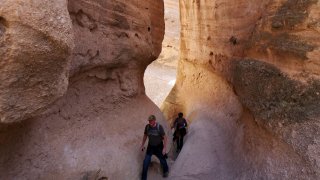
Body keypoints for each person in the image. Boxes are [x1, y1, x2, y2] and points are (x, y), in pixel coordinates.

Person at [140, 115, 169, 180]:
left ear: (154, 120)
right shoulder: (147, 127)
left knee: (162, 160)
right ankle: (143, 178)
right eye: (149, 120)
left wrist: (164, 148)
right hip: (150, 146)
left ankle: (166, 170)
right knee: (145, 162)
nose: (149, 122)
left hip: (158, 147)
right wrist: (142, 145)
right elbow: (145, 136)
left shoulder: (159, 127)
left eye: (151, 120)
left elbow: (165, 137)